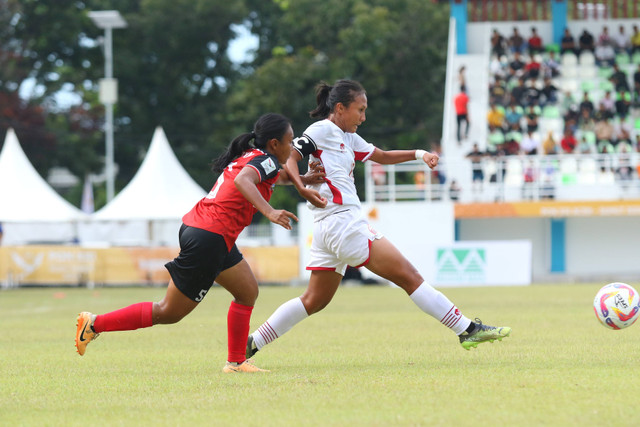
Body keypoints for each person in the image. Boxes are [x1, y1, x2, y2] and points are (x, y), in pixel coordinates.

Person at [246, 79, 511, 361]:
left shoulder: (348, 137)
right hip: (343, 223)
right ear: (339, 108)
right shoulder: (321, 130)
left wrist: (420, 154)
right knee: (410, 278)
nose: (363, 117)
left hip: (328, 227)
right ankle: (467, 329)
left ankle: (251, 343)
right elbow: (291, 156)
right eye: (359, 110)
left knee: (314, 300)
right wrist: (301, 188)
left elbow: (382, 156)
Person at [73, 113, 327, 373]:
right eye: (289, 140)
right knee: (169, 311)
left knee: (247, 291)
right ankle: (94, 324)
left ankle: (237, 362)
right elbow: (243, 181)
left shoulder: (256, 158)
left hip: (208, 232)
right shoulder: (264, 160)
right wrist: (270, 212)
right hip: (210, 237)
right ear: (274, 144)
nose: (293, 144)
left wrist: (303, 180)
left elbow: (271, 177)